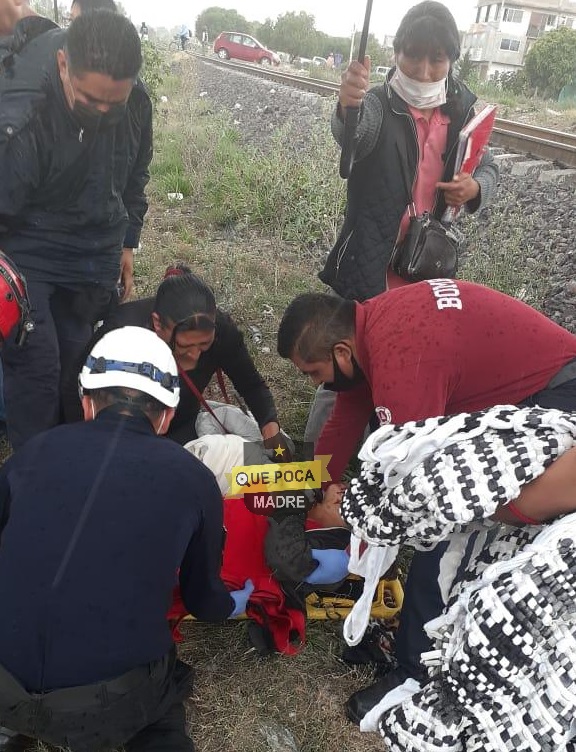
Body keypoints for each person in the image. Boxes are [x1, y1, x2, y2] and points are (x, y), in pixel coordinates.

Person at [277, 278, 576, 723]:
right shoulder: (370, 327)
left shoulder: (402, 359)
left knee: (443, 524)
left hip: (553, 396)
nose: (315, 382)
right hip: (538, 376)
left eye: (312, 372)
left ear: (341, 353)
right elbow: (347, 415)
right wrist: (315, 484)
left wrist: (352, 514)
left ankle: (414, 673)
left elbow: (413, 495)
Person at [0, 326, 252, 752]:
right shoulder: (193, 479)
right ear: (168, 416)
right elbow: (204, 601)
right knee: (165, 696)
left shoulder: (31, 453)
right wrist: (237, 602)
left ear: (86, 402)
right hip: (101, 709)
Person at [304, 1, 499, 450]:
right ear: (396, 54)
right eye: (414, 57)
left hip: (427, 264)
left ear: (452, 60)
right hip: (370, 260)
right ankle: (319, 448)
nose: (425, 71)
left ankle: (393, 443)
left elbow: (488, 167)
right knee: (348, 351)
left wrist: (476, 187)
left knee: (410, 353)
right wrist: (346, 105)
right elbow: (355, 135)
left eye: (437, 60)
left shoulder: (464, 108)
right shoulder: (375, 103)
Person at [0, 10, 153, 450]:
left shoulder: (134, 100)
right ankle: (33, 473)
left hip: (94, 250)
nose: (104, 112)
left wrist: (128, 242)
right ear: (64, 65)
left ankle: (71, 457)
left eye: (114, 103)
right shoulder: (22, 114)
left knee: (78, 369)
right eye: (91, 101)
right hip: (28, 249)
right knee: (38, 372)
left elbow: (135, 172)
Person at [92, 265, 285, 448]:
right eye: (184, 346)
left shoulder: (223, 332)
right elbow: (75, 388)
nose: (194, 356)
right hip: (118, 433)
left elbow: (251, 385)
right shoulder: (122, 331)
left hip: (182, 426)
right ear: (157, 324)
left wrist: (271, 431)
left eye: (204, 344)